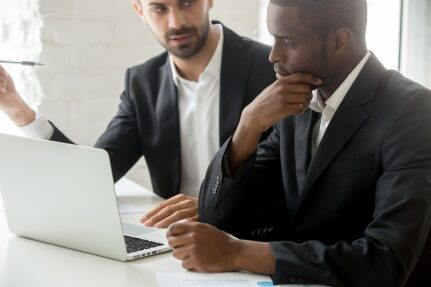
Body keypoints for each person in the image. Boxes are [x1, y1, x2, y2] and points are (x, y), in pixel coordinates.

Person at [166, 0, 431, 286]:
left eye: (287, 41)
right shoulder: (295, 104)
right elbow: (218, 217)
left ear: (340, 40)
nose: (273, 55)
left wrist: (238, 252)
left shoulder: (413, 112)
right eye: (273, 39)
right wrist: (248, 126)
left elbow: (386, 261)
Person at [0, 0, 275, 228]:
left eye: (186, 3)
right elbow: (94, 174)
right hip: (176, 246)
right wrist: (16, 107)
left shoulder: (270, 68)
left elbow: (290, 183)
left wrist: (210, 206)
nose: (176, 22)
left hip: (253, 240)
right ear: (139, 10)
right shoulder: (142, 84)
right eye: (159, 8)